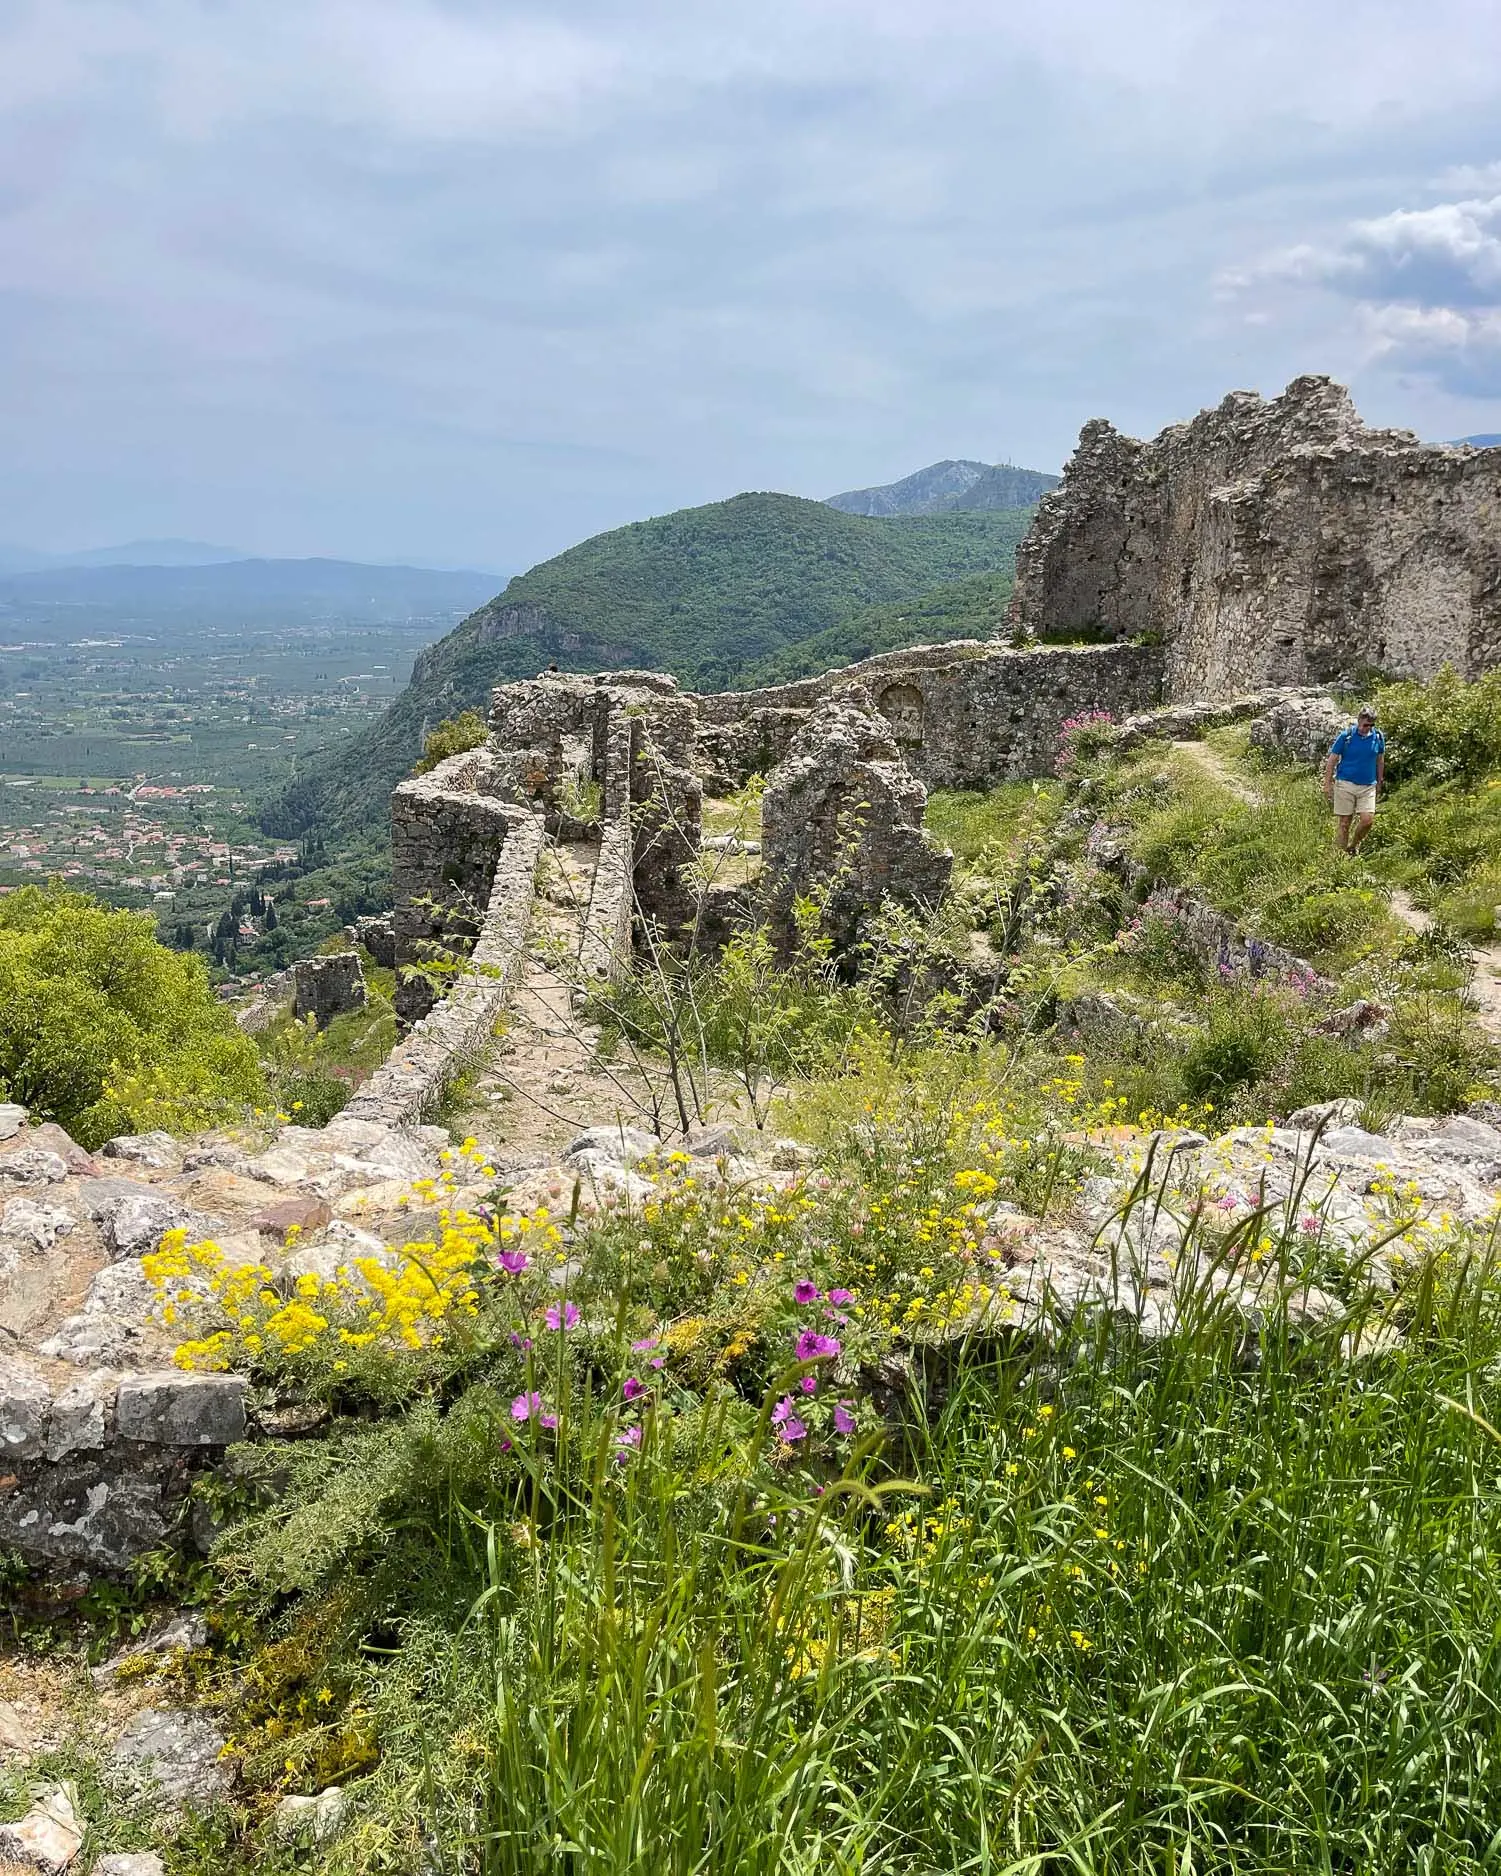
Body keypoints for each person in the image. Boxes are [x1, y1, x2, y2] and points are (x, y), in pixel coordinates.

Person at [1322, 706, 1385, 854]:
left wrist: (1380, 780)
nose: (1367, 728)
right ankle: (1340, 854)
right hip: (1345, 783)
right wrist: (1327, 784)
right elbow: (1332, 760)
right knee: (1344, 823)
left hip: (1368, 785)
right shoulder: (1346, 736)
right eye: (1365, 725)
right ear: (1359, 721)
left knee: (1367, 821)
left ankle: (1354, 845)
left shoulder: (1378, 737)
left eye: (1371, 725)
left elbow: (1380, 760)